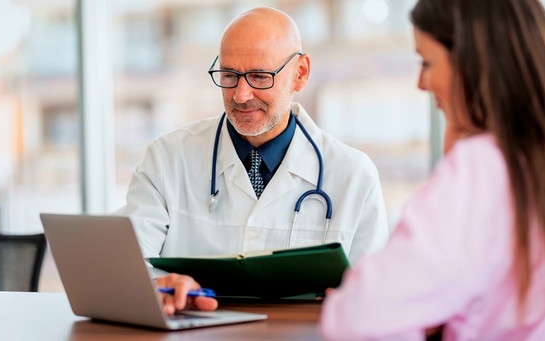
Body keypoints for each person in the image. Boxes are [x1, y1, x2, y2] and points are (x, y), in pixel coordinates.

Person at [319, 0, 545, 339]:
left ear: (474, 62)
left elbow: (356, 317)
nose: (421, 83)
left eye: (427, 62)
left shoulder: (483, 168)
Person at [117, 7, 390, 315]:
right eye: (230, 75)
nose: (241, 95)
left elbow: (375, 302)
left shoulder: (354, 176)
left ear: (300, 73)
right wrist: (162, 285)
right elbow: (126, 267)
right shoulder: (166, 159)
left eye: (260, 76)